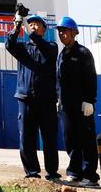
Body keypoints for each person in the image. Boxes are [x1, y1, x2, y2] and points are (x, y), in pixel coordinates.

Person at [5, 13, 60, 181]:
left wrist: (30, 32)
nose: (34, 26)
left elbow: (44, 47)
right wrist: (17, 26)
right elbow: (9, 44)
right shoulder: (23, 49)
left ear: (44, 29)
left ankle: (52, 172)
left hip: (46, 101)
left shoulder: (51, 47)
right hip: (26, 98)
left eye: (37, 24)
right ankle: (31, 172)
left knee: (49, 137)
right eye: (31, 24)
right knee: (26, 137)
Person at [55, 16, 100, 187]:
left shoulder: (83, 53)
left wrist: (89, 100)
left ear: (74, 33)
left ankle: (90, 175)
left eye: (65, 31)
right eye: (60, 31)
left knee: (86, 140)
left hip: (82, 106)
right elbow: (58, 80)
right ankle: (75, 173)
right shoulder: (62, 55)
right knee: (70, 139)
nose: (62, 34)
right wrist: (58, 98)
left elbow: (91, 78)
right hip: (66, 105)